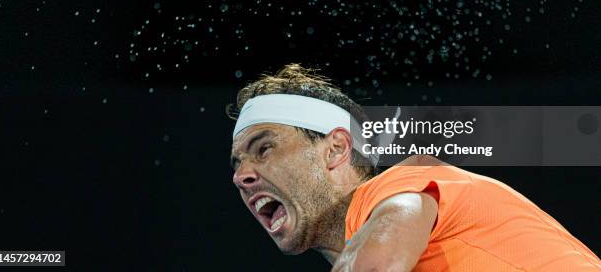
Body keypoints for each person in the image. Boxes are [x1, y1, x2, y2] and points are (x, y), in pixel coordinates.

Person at [229, 64, 600, 271]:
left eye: (264, 148)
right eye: (237, 162)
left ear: (336, 148)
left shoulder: (406, 182)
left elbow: (378, 265)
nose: (241, 176)